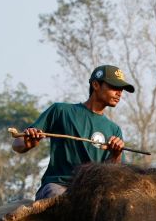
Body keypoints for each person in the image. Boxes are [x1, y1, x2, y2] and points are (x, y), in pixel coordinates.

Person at [13, 64, 132, 200]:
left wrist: (116, 155)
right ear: (96, 85)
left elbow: (116, 176)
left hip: (92, 194)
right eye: (114, 87)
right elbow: (17, 144)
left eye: (121, 89)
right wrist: (28, 143)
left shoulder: (114, 129)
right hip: (59, 186)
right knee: (57, 196)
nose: (119, 93)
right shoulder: (61, 111)